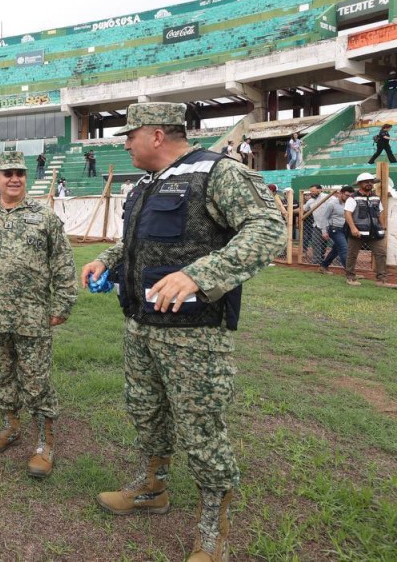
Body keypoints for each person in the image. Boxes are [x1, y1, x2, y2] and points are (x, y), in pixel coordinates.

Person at [80, 103, 287, 562]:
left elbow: (270, 230)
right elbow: (134, 242)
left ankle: (215, 526)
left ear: (156, 135)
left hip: (193, 334)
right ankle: (153, 486)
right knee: (146, 412)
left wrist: (200, 273)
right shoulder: (144, 184)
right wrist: (109, 261)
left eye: (130, 135)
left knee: (200, 427)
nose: (125, 144)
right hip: (141, 325)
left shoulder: (216, 173)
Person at [0, 152, 77, 479]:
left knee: (36, 381)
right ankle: (10, 427)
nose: (14, 179)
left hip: (33, 318)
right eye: (7, 173)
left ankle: (45, 443)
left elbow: (63, 265)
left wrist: (62, 305)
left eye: (20, 173)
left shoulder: (44, 218)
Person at [343, 172, 396, 288]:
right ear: (360, 183)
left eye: (371, 182)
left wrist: (382, 227)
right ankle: (350, 277)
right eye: (366, 182)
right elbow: (347, 214)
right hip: (357, 232)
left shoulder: (376, 198)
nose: (369, 184)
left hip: (375, 231)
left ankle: (381, 280)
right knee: (352, 254)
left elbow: (379, 214)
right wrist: (353, 228)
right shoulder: (353, 198)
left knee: (381, 254)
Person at [319, 186, 353, 274]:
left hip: (347, 229)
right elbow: (324, 218)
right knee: (344, 248)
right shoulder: (332, 204)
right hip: (335, 229)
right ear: (340, 193)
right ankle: (350, 272)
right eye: (346, 195)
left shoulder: (351, 203)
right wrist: (324, 231)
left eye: (350, 195)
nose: (348, 197)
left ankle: (324, 266)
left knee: (336, 249)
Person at [302, 184, 329, 265]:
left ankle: (338, 261)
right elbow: (303, 209)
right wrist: (288, 210)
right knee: (315, 242)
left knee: (328, 243)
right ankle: (316, 261)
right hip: (317, 224)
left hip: (329, 225)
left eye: (313, 191)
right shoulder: (311, 200)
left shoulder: (328, 197)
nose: (311, 193)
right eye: (310, 191)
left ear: (320, 190)